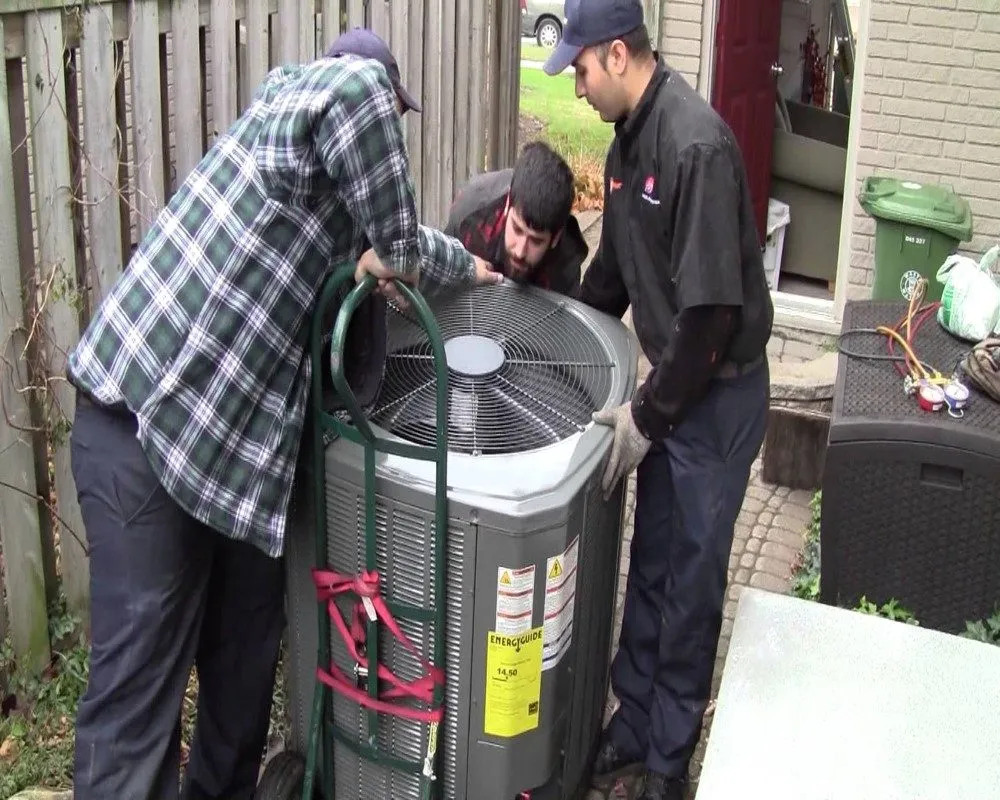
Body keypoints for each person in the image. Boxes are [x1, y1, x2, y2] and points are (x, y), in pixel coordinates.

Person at [64, 28, 500, 800]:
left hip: (226, 472)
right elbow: (353, 98)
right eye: (391, 117)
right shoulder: (297, 119)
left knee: (242, 671)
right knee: (137, 711)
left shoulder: (321, 197)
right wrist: (395, 245)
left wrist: (464, 266)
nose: (387, 133)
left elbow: (397, 252)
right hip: (143, 433)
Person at [542, 1, 774, 798]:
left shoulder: (696, 145)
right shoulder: (625, 146)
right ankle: (632, 722)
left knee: (692, 583)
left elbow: (713, 318)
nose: (573, 86)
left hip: (716, 398)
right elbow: (611, 278)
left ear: (615, 54)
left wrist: (645, 416)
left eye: (577, 68)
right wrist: (546, 341)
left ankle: (670, 760)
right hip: (674, 390)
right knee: (650, 565)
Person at [444, 140, 589, 295]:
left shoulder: (565, 263)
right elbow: (439, 279)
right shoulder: (469, 215)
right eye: (517, 229)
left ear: (555, 238)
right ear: (507, 206)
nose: (520, 251)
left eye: (536, 240)